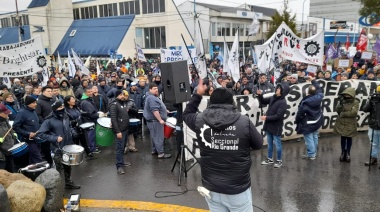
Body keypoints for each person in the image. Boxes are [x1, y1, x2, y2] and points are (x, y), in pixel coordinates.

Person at [183, 78, 263, 212]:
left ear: (210, 101)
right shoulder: (244, 121)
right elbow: (258, 144)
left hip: (211, 188)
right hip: (237, 189)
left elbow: (187, 114)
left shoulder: (199, 119)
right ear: (232, 101)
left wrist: (198, 94)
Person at [36, 101, 81, 189]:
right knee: (58, 169)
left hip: (68, 146)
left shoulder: (65, 116)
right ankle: (58, 188)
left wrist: (73, 132)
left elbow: (69, 126)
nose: (62, 108)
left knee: (68, 165)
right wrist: (55, 138)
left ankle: (68, 183)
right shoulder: (49, 120)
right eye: (60, 107)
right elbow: (40, 134)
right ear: (55, 109)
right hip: (57, 149)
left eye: (63, 107)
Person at [259, 83, 290, 168]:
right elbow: (263, 101)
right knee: (269, 143)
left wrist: (266, 118)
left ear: (283, 91)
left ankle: (279, 160)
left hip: (276, 126)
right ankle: (270, 159)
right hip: (269, 125)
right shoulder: (273, 97)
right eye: (277, 88)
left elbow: (278, 116)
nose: (277, 89)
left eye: (279, 89)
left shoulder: (283, 102)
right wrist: (260, 95)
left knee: (277, 143)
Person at [295, 77, 324, 160]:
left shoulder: (304, 102)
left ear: (308, 92)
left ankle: (311, 154)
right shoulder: (319, 96)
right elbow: (318, 88)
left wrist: (297, 121)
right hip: (317, 120)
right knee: (315, 136)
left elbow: (300, 114)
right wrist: (313, 80)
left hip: (309, 123)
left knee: (309, 138)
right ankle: (314, 152)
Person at [143, 83, 171, 159]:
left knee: (154, 136)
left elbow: (158, 107)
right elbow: (155, 111)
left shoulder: (152, 97)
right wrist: (160, 120)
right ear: (150, 90)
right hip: (155, 121)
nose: (156, 90)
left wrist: (165, 110)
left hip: (153, 121)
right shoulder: (151, 98)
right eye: (154, 89)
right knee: (158, 137)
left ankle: (154, 150)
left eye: (157, 88)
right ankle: (161, 153)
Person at [13, 96, 42, 164]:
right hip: (29, 141)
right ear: (28, 103)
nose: (36, 104)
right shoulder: (22, 113)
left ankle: (32, 174)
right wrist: (27, 133)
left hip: (37, 139)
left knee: (33, 159)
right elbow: (15, 127)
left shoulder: (33, 111)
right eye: (34, 103)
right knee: (37, 159)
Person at [334, 87, 359, 163]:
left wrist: (342, 114)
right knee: (343, 138)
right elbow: (337, 110)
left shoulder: (355, 102)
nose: (346, 96)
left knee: (349, 138)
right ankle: (342, 153)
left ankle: (348, 153)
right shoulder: (342, 101)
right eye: (345, 94)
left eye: (348, 94)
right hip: (341, 123)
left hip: (350, 123)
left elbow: (353, 113)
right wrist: (340, 105)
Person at [109, 90, 131, 174]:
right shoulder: (114, 105)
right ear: (118, 95)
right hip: (120, 131)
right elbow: (113, 119)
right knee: (119, 148)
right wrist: (118, 131)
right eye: (121, 95)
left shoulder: (121, 103)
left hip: (125, 129)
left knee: (122, 147)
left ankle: (122, 162)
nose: (123, 96)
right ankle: (119, 166)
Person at [80, 86, 105, 154]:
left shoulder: (89, 99)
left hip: (91, 121)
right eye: (89, 92)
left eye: (91, 91)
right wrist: (98, 115)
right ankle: (92, 149)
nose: (91, 93)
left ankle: (93, 147)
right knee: (90, 136)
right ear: (85, 93)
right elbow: (90, 114)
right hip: (89, 122)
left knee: (92, 135)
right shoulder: (85, 102)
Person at [363, 86, 380, 167]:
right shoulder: (373, 100)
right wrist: (370, 101)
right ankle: (374, 158)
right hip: (373, 125)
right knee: (373, 143)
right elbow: (365, 109)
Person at [0, 104, 16, 173]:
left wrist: (13, 133)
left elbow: (10, 129)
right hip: (1, 152)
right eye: (5, 113)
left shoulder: (5, 119)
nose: (7, 115)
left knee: (11, 170)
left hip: (9, 149)